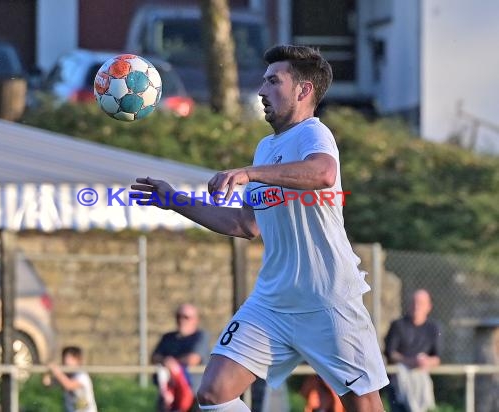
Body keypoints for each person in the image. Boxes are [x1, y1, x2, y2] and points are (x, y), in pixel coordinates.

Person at [131, 44, 388, 412]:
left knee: (364, 407)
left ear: (303, 90)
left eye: (272, 81)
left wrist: (249, 173)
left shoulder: (314, 133)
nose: (262, 91)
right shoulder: (266, 148)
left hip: (327, 299)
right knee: (214, 392)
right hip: (273, 302)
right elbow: (244, 223)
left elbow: (323, 173)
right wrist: (174, 200)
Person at [384, 289, 441, 412]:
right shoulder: (398, 325)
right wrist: (409, 361)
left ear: (429, 307)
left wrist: (426, 362)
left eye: (420, 303)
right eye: (414, 302)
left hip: (422, 379)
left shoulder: (433, 328)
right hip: (399, 381)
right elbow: (390, 352)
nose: (416, 306)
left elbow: (436, 358)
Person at [151, 304, 210, 412]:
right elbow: (154, 357)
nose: (181, 320)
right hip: (170, 395)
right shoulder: (168, 337)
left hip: (193, 396)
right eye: (179, 316)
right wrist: (167, 362)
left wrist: (172, 363)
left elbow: (193, 359)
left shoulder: (200, 336)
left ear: (196, 320)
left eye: (186, 317)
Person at [44, 346, 97, 412]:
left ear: (77, 360)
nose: (65, 362)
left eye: (69, 359)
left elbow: (69, 385)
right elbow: (48, 384)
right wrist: (46, 373)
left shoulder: (82, 375)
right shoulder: (65, 376)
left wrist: (56, 371)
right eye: (64, 359)